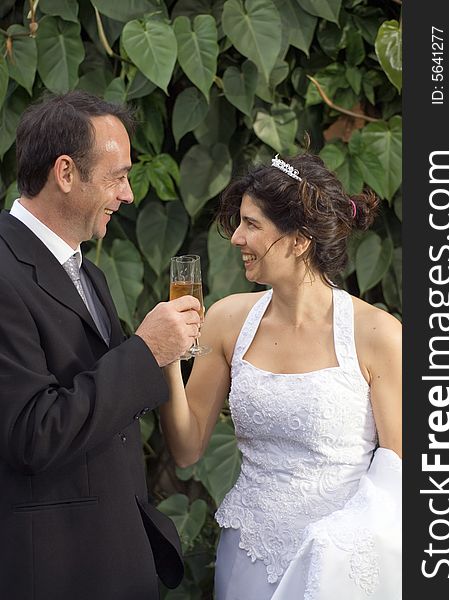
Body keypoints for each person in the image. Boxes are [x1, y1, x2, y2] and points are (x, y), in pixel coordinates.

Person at [159, 152, 402, 599]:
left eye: (251, 224)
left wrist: (337, 548)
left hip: (340, 567)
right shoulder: (227, 319)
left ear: (299, 239)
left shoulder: (378, 335)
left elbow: (401, 474)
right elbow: (188, 448)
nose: (235, 238)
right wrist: (168, 360)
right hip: (247, 558)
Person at [0, 91, 201, 600]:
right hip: (52, 570)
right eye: (117, 177)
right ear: (65, 173)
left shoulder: (87, 270)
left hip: (110, 558)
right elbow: (31, 432)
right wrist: (144, 351)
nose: (129, 195)